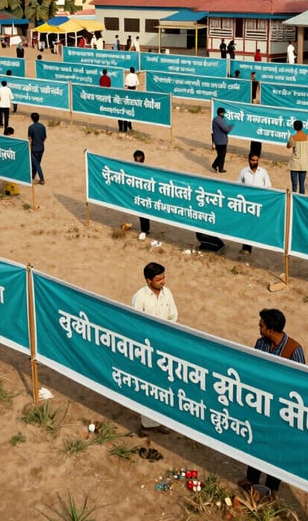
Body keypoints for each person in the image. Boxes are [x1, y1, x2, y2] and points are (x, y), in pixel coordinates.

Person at [240, 309, 305, 497]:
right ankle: (251, 480)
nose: (258, 327)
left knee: (276, 450)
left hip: (281, 410)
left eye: (261, 325)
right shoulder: (260, 344)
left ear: (270, 329)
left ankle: (272, 489)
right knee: (256, 442)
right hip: (260, 405)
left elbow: (300, 383)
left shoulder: (294, 351)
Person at [131, 262, 178, 436]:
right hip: (147, 348)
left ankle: (161, 422)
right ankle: (146, 424)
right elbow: (136, 324)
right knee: (147, 386)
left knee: (164, 386)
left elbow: (173, 316)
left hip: (165, 346)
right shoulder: (140, 297)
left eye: (164, 277)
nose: (163, 282)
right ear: (148, 280)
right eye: (159, 279)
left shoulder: (167, 294)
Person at [237, 155, 271, 254]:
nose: (254, 162)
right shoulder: (244, 171)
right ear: (249, 160)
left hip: (259, 203)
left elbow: (268, 186)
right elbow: (238, 185)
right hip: (247, 203)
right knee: (247, 225)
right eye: (252, 160)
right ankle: (246, 247)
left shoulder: (263, 172)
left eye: (256, 160)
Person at [287, 120, 308, 194]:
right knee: (302, 184)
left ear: (294, 128)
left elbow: (288, 146)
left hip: (295, 163)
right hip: (304, 163)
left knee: (294, 186)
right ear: (302, 127)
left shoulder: (293, 137)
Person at [133, 150, 150, 240]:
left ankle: (145, 230)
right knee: (142, 214)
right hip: (137, 195)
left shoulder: (147, 171)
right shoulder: (131, 169)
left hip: (145, 196)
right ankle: (145, 229)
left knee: (144, 213)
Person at [211, 106, 233, 173]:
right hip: (221, 141)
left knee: (220, 154)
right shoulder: (220, 120)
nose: (224, 114)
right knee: (222, 155)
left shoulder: (215, 119)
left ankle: (216, 166)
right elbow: (226, 129)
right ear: (221, 113)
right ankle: (219, 167)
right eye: (223, 113)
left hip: (217, 140)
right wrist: (231, 127)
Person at [28, 112, 47, 185]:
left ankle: (42, 179)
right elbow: (45, 137)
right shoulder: (42, 126)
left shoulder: (31, 127)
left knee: (36, 164)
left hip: (34, 148)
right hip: (41, 148)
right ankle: (32, 177)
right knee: (36, 163)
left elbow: (30, 138)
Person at [121, 67, 140, 133]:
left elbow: (125, 84)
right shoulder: (135, 76)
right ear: (134, 71)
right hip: (133, 90)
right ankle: (129, 124)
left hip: (128, 90)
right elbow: (138, 83)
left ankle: (128, 125)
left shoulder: (128, 75)